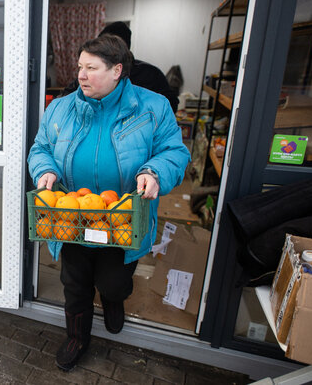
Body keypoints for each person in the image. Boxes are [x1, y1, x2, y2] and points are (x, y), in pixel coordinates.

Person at [27, 35, 190, 371]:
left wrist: (155, 172)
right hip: (73, 216)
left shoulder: (153, 107)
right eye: (80, 67)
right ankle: (76, 337)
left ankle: (114, 301)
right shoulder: (60, 107)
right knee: (75, 283)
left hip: (123, 219)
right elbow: (41, 148)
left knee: (113, 282)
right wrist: (44, 169)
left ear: (117, 70)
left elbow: (174, 152)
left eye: (91, 68)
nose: (81, 75)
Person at [62, 22, 179, 112]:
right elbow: (66, 98)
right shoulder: (88, 77)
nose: (82, 75)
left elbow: (170, 105)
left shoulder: (151, 74)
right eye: (81, 67)